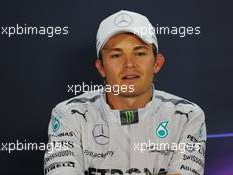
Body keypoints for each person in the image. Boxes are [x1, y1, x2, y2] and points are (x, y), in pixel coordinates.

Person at [44, 10, 206, 175]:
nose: (129, 64)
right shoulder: (69, 115)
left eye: (140, 53)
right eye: (116, 55)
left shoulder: (186, 116)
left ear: (157, 63)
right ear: (101, 67)